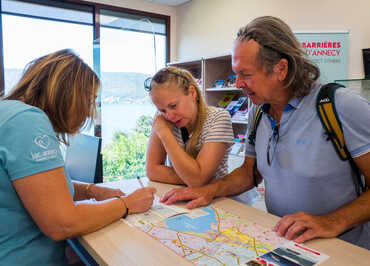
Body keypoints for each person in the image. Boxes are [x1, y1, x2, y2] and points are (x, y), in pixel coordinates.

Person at [160, 16, 370, 249]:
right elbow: (250, 173)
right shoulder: (258, 111)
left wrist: (331, 222)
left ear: (280, 69)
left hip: (345, 248)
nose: (238, 83)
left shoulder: (341, 106)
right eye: (235, 73)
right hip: (287, 242)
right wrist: (208, 191)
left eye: (246, 74)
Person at [0, 49, 156, 265]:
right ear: (70, 94)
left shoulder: (9, 113)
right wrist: (127, 203)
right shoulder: (27, 120)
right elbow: (62, 223)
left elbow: (37, 186)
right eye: (90, 100)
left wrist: (90, 190)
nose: (90, 112)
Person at [145, 67, 234, 187]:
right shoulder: (162, 119)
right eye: (162, 110)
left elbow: (197, 180)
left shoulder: (218, 118)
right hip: (181, 196)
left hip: (217, 200)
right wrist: (194, 177)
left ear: (192, 93)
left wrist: (164, 133)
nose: (170, 116)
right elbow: (152, 171)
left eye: (173, 105)